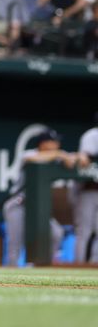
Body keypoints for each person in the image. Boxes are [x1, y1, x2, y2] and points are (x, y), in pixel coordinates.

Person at [4, 128, 77, 266]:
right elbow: (32, 159)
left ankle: (42, 267)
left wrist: (69, 158)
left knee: (56, 233)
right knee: (16, 242)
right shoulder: (30, 154)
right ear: (42, 144)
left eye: (57, 142)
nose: (56, 144)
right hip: (18, 203)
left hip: (37, 208)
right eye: (52, 142)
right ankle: (10, 274)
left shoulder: (56, 157)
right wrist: (59, 154)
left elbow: (73, 161)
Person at [74, 113, 98, 264]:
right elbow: (84, 159)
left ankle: (95, 264)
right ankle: (78, 265)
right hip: (88, 189)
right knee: (84, 231)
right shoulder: (92, 135)